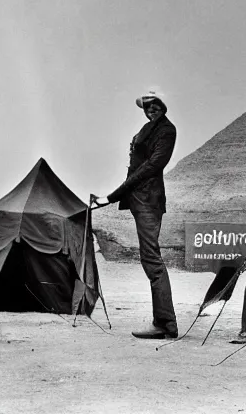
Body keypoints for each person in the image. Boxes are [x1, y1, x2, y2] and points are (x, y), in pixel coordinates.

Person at [94, 89, 178, 339]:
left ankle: (165, 323)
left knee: (151, 259)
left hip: (148, 201)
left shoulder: (166, 130)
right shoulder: (148, 129)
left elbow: (152, 166)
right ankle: (165, 321)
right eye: (146, 105)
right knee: (148, 258)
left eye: (155, 104)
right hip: (140, 199)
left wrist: (112, 196)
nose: (150, 108)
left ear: (163, 105)